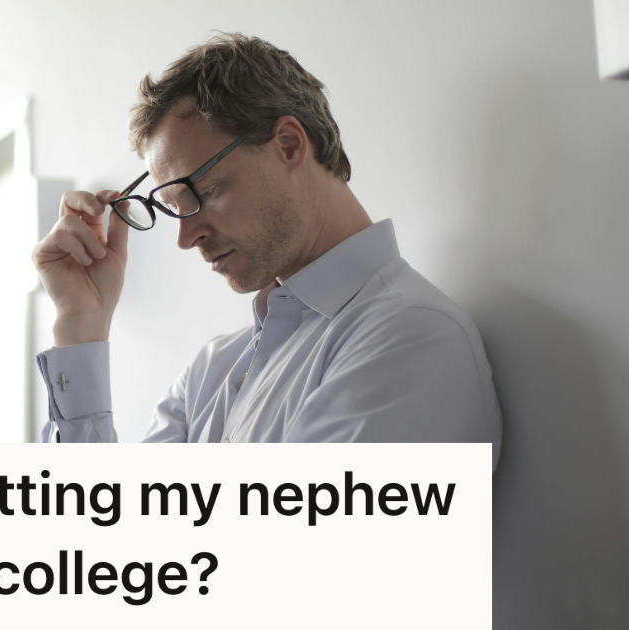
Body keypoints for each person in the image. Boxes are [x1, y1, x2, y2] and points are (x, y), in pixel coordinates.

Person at [31, 33, 502, 467]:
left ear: (290, 145)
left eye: (207, 191)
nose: (186, 237)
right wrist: (82, 327)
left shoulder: (410, 339)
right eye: (176, 209)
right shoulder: (209, 374)